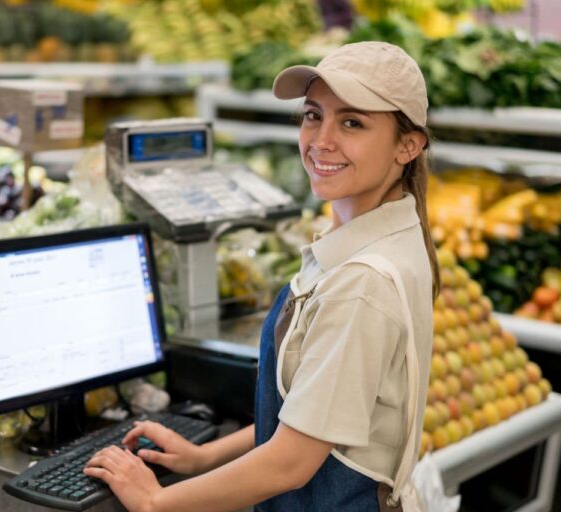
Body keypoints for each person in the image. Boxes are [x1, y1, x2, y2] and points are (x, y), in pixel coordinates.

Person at [85, 41, 439, 512]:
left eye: (352, 122)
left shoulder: (361, 284)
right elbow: (313, 413)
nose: (322, 140)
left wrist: (155, 501)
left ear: (408, 145)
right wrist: (203, 456)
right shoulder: (386, 234)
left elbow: (290, 463)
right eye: (313, 115)